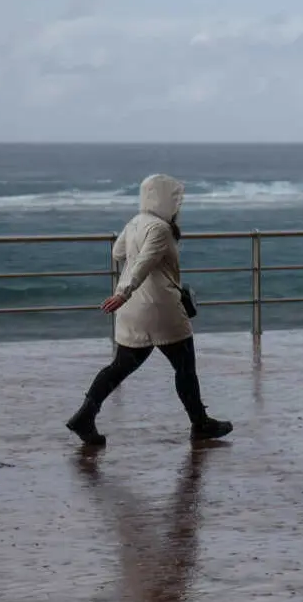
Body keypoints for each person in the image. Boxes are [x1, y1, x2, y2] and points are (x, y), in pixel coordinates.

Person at [66, 173, 233, 446]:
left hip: (133, 310)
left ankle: (85, 416)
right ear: (166, 199)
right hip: (161, 309)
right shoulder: (160, 229)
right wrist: (123, 292)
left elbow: (117, 254)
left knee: (119, 367)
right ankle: (200, 424)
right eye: (176, 201)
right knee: (184, 368)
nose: (178, 207)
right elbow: (144, 262)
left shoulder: (135, 222)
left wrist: (126, 291)